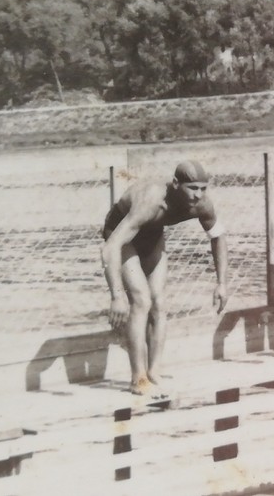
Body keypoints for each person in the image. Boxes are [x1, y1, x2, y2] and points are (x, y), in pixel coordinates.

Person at [100, 160, 229, 396]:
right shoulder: (152, 200)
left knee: (160, 304)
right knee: (141, 300)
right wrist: (116, 295)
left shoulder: (202, 204)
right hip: (120, 233)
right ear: (176, 184)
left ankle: (154, 372)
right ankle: (137, 379)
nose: (198, 195)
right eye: (192, 188)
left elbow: (218, 236)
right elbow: (110, 248)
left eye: (203, 188)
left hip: (152, 233)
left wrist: (221, 283)